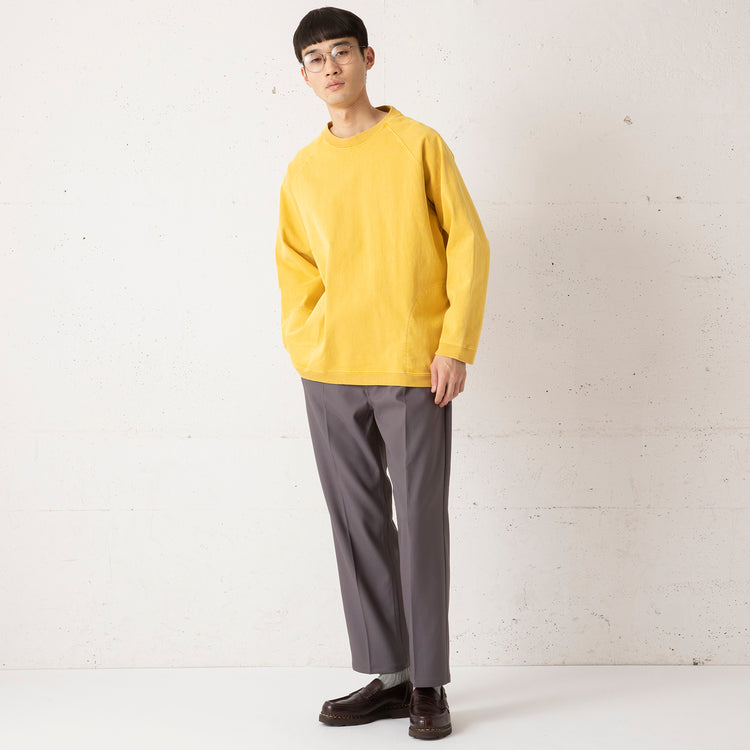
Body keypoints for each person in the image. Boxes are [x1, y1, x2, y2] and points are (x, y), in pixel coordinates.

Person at [275, 6, 490, 741]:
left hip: (412, 366)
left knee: (421, 522)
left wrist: (454, 344)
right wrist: (306, 345)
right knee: (357, 521)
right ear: (304, 76)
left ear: (367, 57)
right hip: (330, 370)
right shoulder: (303, 170)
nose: (330, 66)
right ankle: (391, 678)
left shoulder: (418, 144)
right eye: (315, 59)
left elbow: (467, 243)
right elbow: (294, 268)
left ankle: (429, 681)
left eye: (341, 51)